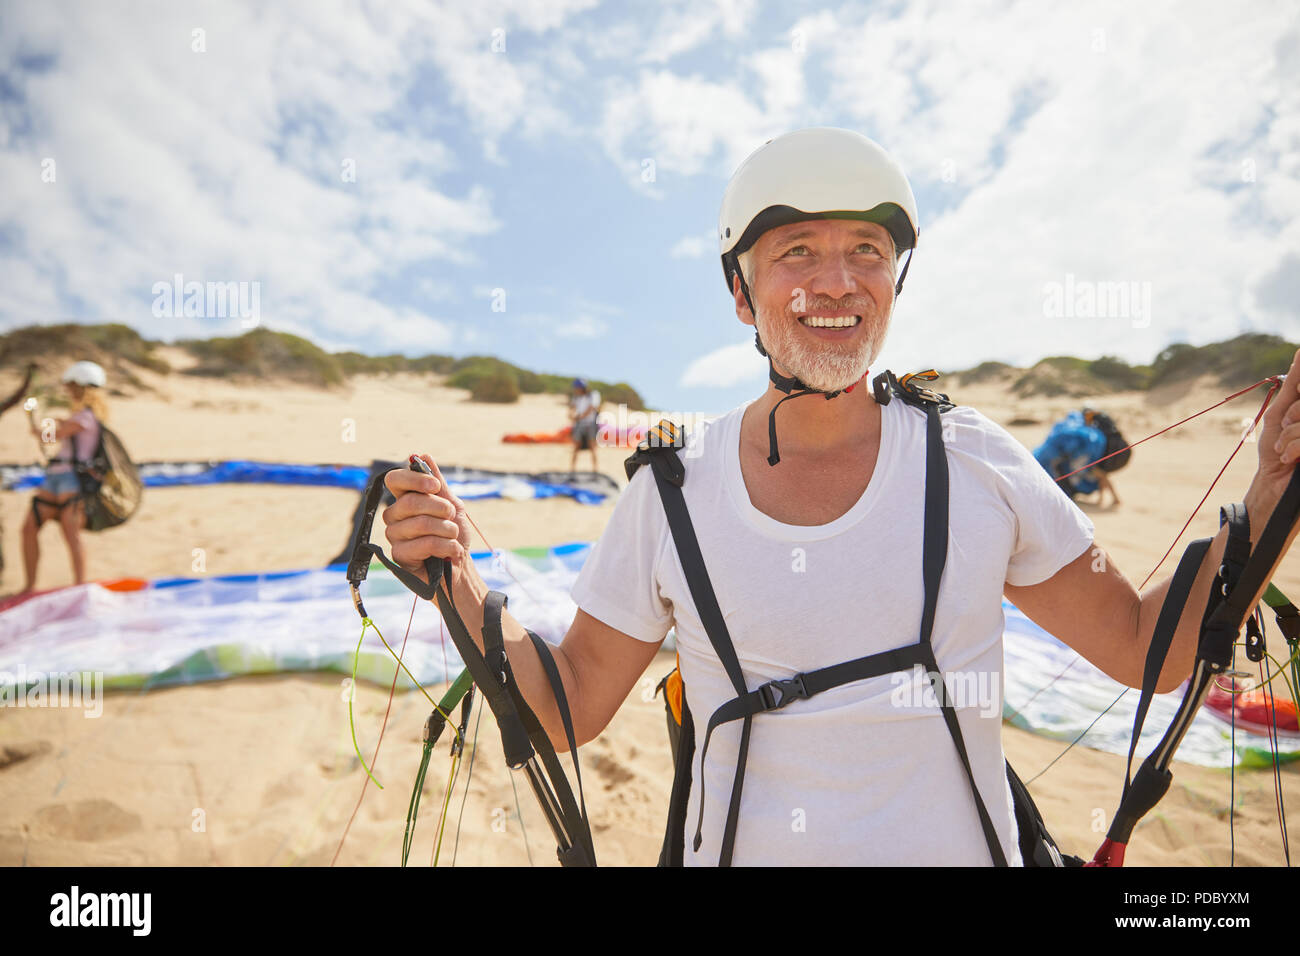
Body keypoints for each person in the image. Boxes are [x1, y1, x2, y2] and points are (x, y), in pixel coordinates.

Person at [379, 128, 1300, 865]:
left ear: (895, 280)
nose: (838, 280)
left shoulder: (975, 459)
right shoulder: (669, 496)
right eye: (796, 252)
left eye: (868, 249)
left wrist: (1272, 486)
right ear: (742, 294)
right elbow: (573, 702)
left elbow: (1144, 646)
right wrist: (454, 579)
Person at [20, 361, 107, 592]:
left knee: (71, 533)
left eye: (71, 386)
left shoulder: (86, 417)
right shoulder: (77, 417)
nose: (68, 390)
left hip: (72, 481)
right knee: (29, 529)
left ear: (81, 387)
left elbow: (50, 437)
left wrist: (36, 423)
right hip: (54, 478)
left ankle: (79, 586)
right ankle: (29, 586)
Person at [1033, 409, 1120, 507]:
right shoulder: (1093, 427)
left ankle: (1113, 498)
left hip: (1092, 457)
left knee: (1100, 475)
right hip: (1096, 455)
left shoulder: (1086, 428)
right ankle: (1108, 498)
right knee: (1101, 476)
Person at [568, 378, 602, 473]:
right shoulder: (577, 398)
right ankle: (572, 469)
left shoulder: (593, 395)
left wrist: (579, 417)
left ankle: (595, 470)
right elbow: (572, 407)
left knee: (592, 447)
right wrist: (571, 414)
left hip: (590, 424)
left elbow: (591, 408)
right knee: (576, 446)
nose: (576, 390)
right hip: (580, 424)